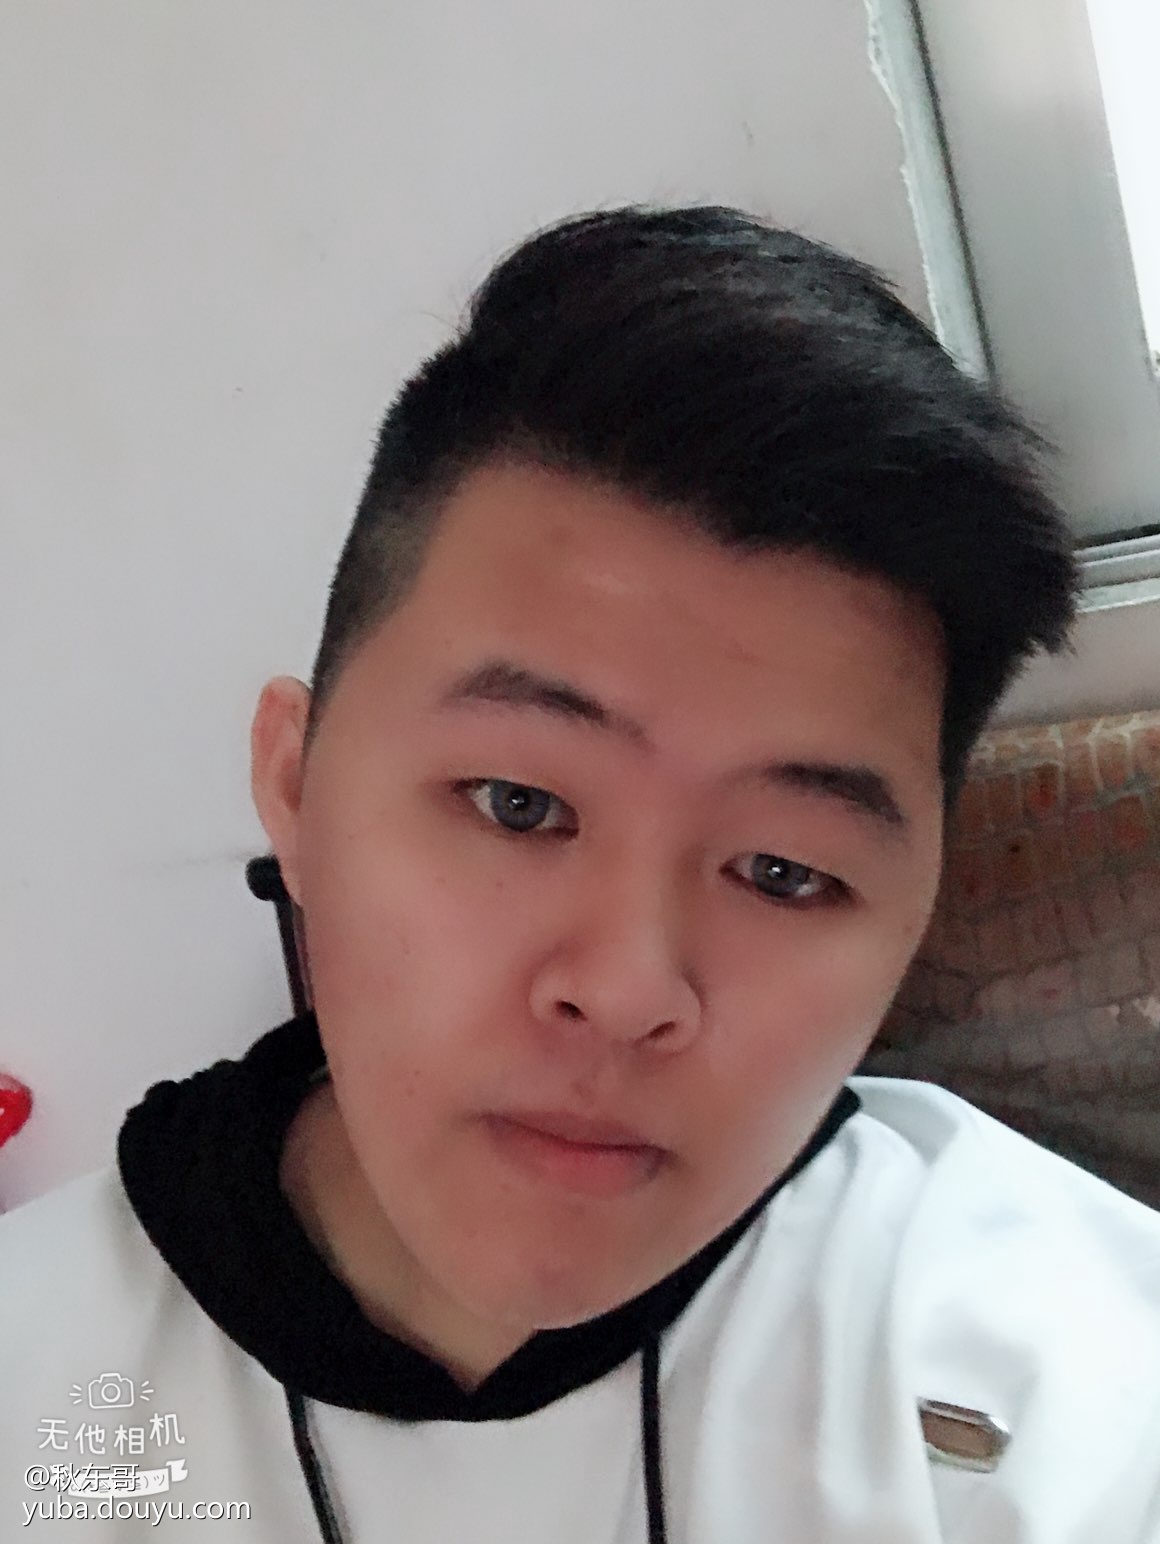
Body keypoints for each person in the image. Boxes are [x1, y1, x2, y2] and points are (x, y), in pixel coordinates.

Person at [3, 205, 1158, 1542]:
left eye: (782, 872)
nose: (625, 990)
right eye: (520, 805)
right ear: (297, 787)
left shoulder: (1071, 1383)